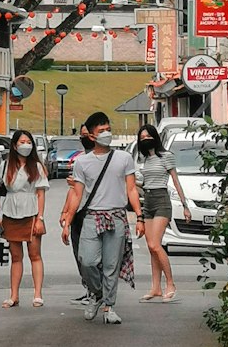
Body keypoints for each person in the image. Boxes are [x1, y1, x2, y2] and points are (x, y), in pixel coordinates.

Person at [60, 118, 144, 325]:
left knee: (111, 265)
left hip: (116, 217)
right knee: (87, 261)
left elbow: (131, 189)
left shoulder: (124, 158)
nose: (107, 133)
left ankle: (109, 306)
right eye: (102, 130)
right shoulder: (82, 162)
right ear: (91, 135)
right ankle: (97, 294)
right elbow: (77, 194)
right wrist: (68, 220)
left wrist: (139, 217)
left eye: (109, 129)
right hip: (91, 217)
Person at [0, 128, 50, 309]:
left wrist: (40, 217)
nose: (25, 145)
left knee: (35, 254)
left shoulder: (37, 166)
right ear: (14, 146)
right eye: (21, 142)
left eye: (28, 142)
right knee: (15, 256)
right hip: (10, 212)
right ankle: (14, 295)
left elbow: (41, 193)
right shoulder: (5, 165)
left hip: (31, 212)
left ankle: (37, 294)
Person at [133, 123, 187, 301]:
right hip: (147, 200)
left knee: (156, 244)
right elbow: (145, 183)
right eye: (142, 138)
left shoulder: (166, 156)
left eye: (148, 136)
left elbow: (176, 181)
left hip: (162, 200)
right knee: (150, 247)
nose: (146, 140)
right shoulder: (145, 160)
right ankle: (155, 287)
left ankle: (170, 283)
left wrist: (185, 206)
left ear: (155, 137)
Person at [67, 112, 110, 302]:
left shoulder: (108, 159)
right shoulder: (80, 161)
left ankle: (102, 294)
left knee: (99, 258)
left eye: (87, 135)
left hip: (99, 213)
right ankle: (91, 289)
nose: (85, 139)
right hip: (79, 213)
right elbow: (75, 192)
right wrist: (65, 213)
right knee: (82, 257)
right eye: (82, 136)